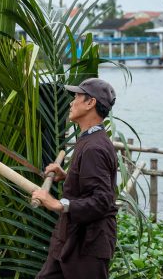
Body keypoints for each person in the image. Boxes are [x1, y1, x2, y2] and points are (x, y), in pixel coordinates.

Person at [32, 78, 118, 279]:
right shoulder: (88, 139)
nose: (72, 102)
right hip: (70, 239)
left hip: (88, 244)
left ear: (91, 103)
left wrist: (57, 204)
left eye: (77, 96)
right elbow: (91, 183)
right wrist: (68, 176)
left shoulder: (94, 147)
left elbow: (102, 201)